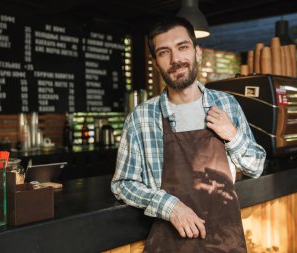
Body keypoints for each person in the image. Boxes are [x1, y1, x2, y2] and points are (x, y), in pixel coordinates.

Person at [111, 17, 266, 253]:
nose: (175, 60)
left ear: (197, 52)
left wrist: (233, 136)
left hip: (226, 244)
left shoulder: (227, 105)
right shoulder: (141, 118)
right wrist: (170, 206)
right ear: (155, 62)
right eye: (164, 52)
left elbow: (256, 166)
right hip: (169, 246)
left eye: (182, 47)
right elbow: (123, 184)